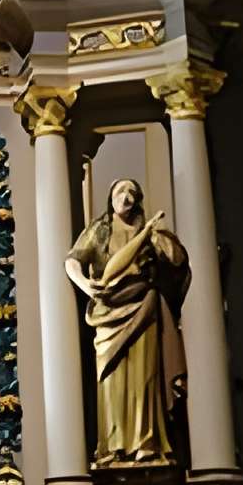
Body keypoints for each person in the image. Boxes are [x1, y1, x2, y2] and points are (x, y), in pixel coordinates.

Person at [64, 176, 189, 466]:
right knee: (111, 382)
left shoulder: (149, 231)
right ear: (111, 197)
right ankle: (112, 446)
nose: (126, 197)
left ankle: (146, 443)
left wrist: (158, 236)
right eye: (121, 190)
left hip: (143, 307)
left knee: (145, 379)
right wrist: (84, 284)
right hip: (108, 313)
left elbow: (177, 260)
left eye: (133, 192)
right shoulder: (100, 230)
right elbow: (72, 261)